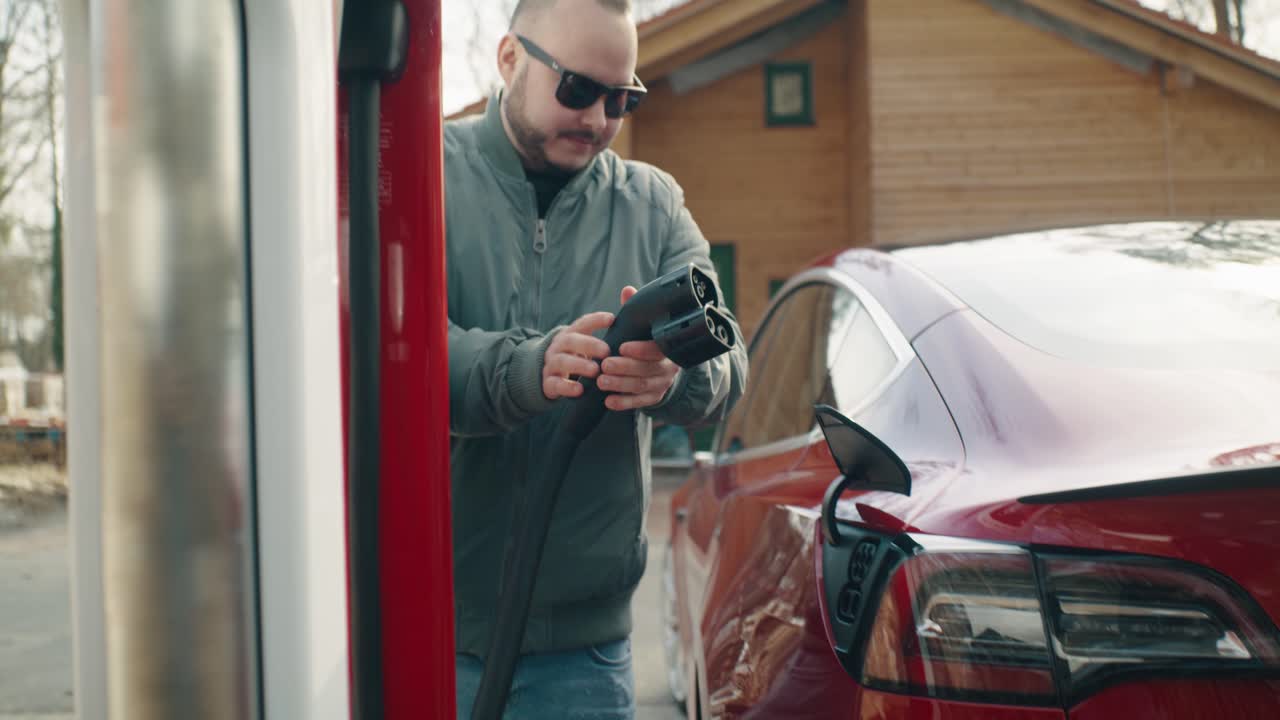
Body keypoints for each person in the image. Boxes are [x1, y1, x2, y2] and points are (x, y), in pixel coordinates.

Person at [445, 0, 748, 716]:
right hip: (434, 633)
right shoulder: (423, 178)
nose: (599, 119)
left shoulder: (653, 203)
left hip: (583, 658)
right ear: (510, 59)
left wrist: (678, 374)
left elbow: (730, 360)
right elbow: (391, 352)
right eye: (578, 89)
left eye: (622, 98)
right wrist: (528, 370)